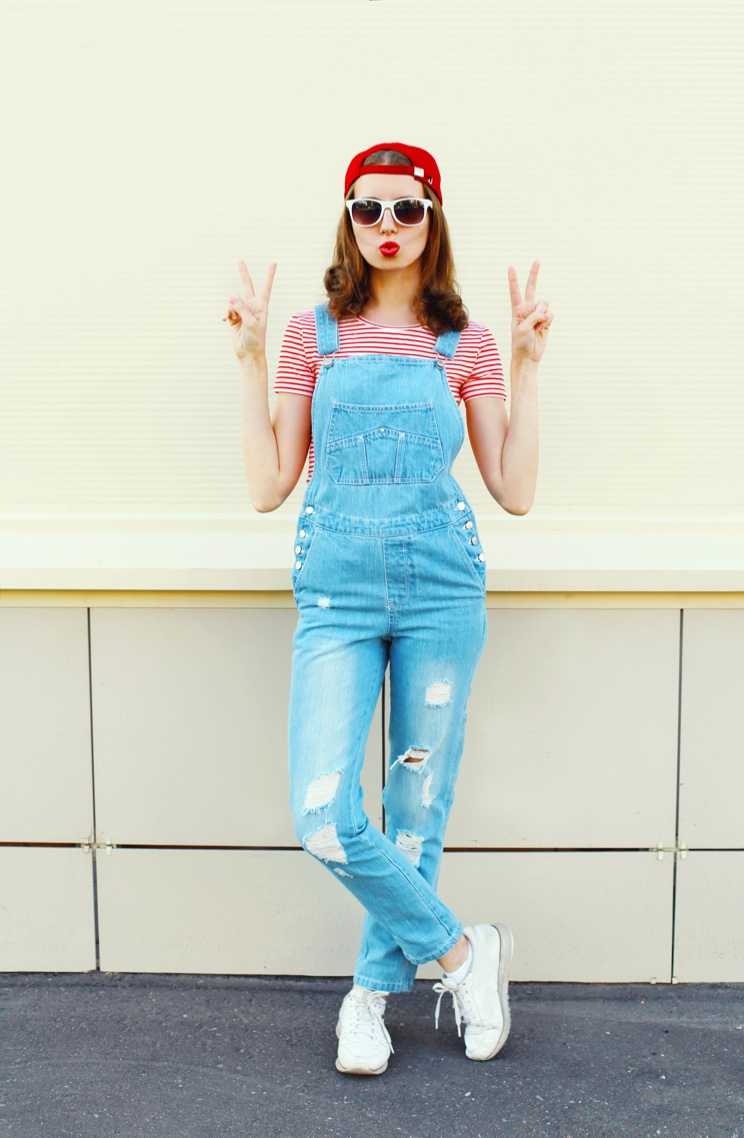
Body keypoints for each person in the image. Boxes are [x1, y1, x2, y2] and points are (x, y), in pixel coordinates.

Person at [224, 142, 553, 1075]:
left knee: (415, 808)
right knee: (323, 813)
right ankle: (459, 952)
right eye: (369, 211)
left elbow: (514, 488)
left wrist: (527, 368)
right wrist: (250, 362)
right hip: (335, 594)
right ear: (348, 220)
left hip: (442, 591)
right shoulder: (309, 334)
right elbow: (266, 485)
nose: (387, 229)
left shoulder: (467, 343)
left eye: (407, 211)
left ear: (433, 219)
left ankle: (368, 1000)